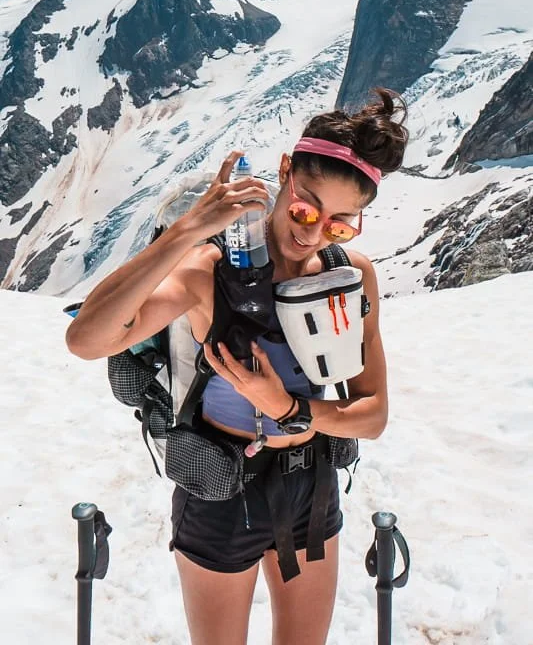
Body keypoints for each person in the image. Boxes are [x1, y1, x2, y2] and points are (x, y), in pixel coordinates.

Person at [66, 87, 408, 645]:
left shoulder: (351, 275)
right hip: (221, 488)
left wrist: (289, 409)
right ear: (284, 174)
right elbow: (87, 339)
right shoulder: (210, 269)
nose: (313, 234)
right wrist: (186, 231)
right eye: (305, 208)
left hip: (312, 485)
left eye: (341, 224)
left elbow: (372, 415)